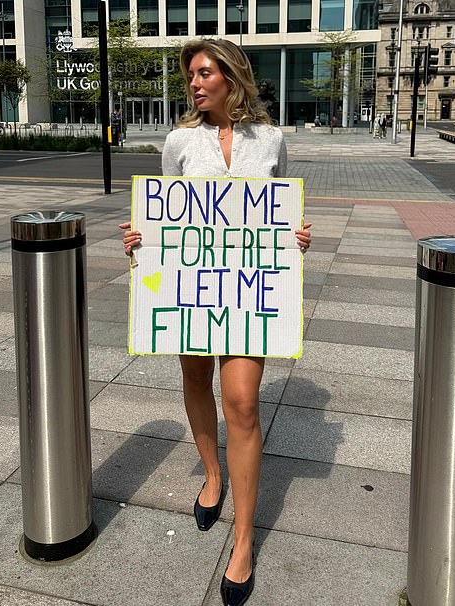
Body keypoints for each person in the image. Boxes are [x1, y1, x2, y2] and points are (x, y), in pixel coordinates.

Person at [119, 39, 312, 606]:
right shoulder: (179, 142)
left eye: (205, 72)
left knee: (245, 403)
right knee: (196, 381)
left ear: (232, 75)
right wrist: (139, 238)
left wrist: (299, 235)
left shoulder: (271, 140)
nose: (195, 83)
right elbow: (160, 217)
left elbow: (283, 212)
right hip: (191, 292)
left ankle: (245, 540)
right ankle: (211, 473)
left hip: (247, 293)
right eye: (191, 76)